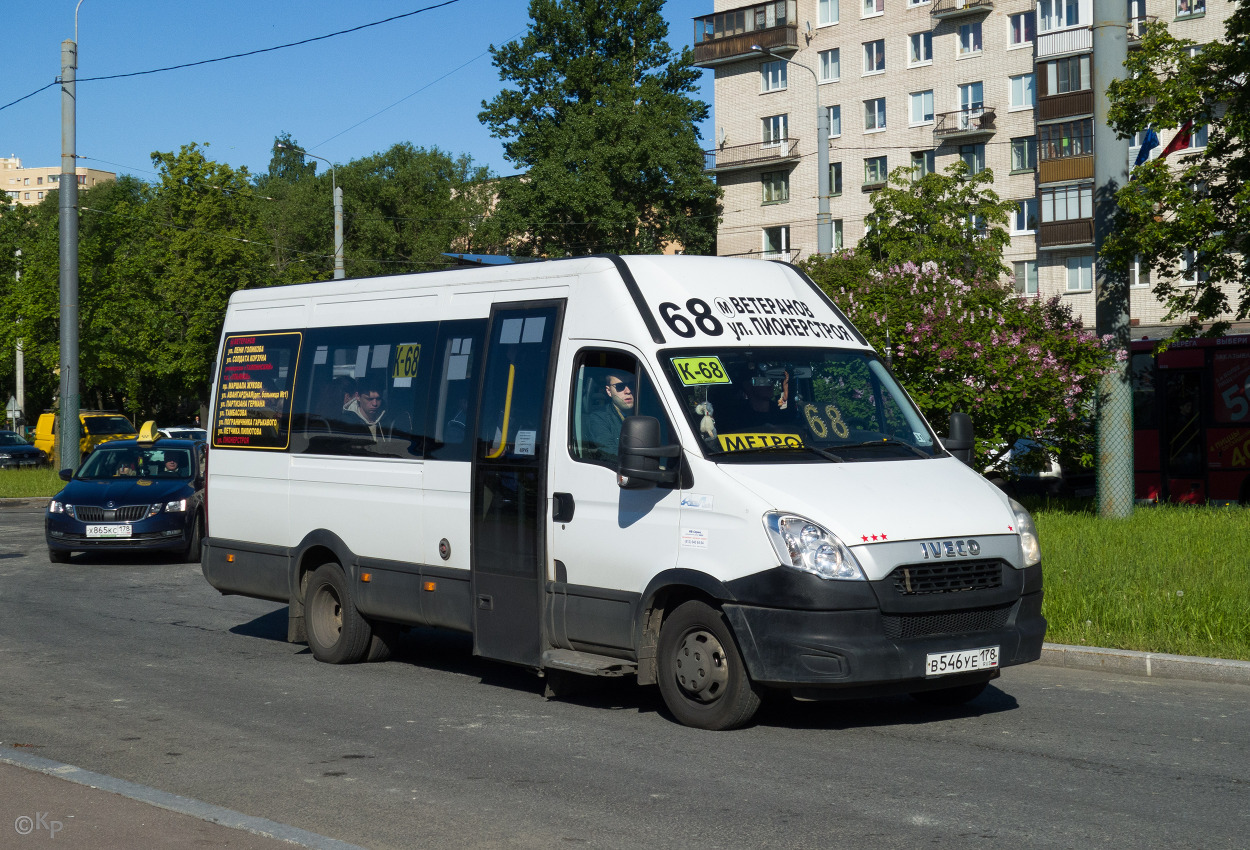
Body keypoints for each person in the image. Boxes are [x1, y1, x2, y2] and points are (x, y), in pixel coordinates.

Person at [585, 371, 635, 460]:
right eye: (620, 386)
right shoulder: (599, 418)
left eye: (631, 384)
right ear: (609, 391)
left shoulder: (652, 414)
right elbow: (609, 453)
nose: (628, 391)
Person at [347, 376, 387, 441]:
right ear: (357, 396)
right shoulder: (346, 422)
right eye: (369, 399)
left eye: (378, 399)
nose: (374, 403)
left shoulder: (389, 420)